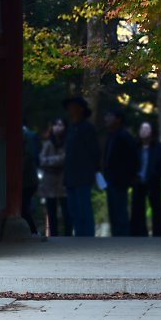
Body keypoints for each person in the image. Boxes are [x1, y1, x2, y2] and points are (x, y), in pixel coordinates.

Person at [62, 96, 100, 237]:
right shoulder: (72, 128)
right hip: (71, 175)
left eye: (72, 107)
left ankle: (87, 237)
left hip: (83, 175)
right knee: (74, 210)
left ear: (80, 109)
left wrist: (93, 170)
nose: (69, 110)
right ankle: (79, 236)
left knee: (83, 209)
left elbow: (94, 152)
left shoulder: (87, 128)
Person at [130, 122, 161, 238]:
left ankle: (157, 234)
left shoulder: (159, 147)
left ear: (152, 132)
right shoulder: (135, 147)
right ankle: (139, 233)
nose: (143, 131)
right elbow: (130, 163)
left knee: (156, 208)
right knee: (137, 208)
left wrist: (158, 174)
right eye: (142, 129)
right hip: (138, 181)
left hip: (153, 181)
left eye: (146, 129)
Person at [102, 107, 138, 237]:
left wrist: (129, 176)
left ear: (118, 119)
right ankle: (116, 236)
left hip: (120, 179)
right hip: (110, 178)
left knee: (120, 210)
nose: (106, 119)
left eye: (110, 116)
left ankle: (123, 237)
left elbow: (133, 158)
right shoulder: (111, 136)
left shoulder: (124, 136)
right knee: (113, 210)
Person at [39, 117, 70, 237]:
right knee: (51, 212)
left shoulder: (67, 143)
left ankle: (68, 236)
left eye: (60, 125)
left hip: (63, 182)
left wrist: (50, 161)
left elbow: (65, 159)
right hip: (49, 182)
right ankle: (53, 236)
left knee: (67, 212)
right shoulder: (48, 143)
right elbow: (42, 160)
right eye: (55, 125)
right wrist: (56, 161)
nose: (57, 127)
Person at [20, 123, 41, 235]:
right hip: (27, 180)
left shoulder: (26, 136)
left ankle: (33, 232)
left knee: (24, 207)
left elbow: (29, 156)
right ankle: (33, 232)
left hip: (27, 180)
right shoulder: (26, 135)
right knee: (24, 208)